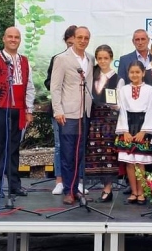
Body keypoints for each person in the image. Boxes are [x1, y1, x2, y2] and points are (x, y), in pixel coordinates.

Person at [0, 27, 35, 198]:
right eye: (10, 36)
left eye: (16, 37)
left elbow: (29, 87)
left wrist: (29, 109)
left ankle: (14, 185)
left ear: (20, 40)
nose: (13, 40)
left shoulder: (24, 61)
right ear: (3, 39)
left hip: (18, 110)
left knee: (14, 149)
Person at [50, 26, 95, 205]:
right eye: (80, 37)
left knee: (80, 152)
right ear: (73, 39)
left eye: (86, 38)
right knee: (68, 153)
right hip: (67, 113)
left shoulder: (90, 59)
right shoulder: (62, 59)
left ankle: (77, 187)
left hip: (85, 112)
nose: (83, 41)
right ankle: (69, 190)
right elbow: (55, 86)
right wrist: (58, 110)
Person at [115, 61, 152, 205]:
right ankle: (134, 192)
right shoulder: (124, 89)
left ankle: (142, 192)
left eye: (137, 72)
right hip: (127, 125)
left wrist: (144, 131)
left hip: (142, 125)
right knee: (129, 162)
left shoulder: (150, 90)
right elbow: (121, 110)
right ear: (128, 74)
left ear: (143, 73)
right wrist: (125, 131)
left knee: (140, 161)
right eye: (132, 72)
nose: (135, 75)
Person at [86, 45, 124, 203]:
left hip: (109, 120)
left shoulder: (118, 78)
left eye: (105, 58)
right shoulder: (91, 76)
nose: (102, 61)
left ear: (111, 59)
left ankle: (107, 189)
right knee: (94, 155)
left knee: (108, 155)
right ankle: (96, 186)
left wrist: (115, 104)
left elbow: (121, 102)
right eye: (100, 58)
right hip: (94, 119)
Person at [45, 25, 77, 195]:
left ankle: (75, 181)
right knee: (59, 145)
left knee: (77, 146)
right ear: (65, 42)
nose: (73, 46)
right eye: (70, 42)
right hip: (59, 110)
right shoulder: (58, 58)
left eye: (76, 42)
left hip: (77, 110)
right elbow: (49, 83)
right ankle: (59, 180)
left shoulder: (85, 60)